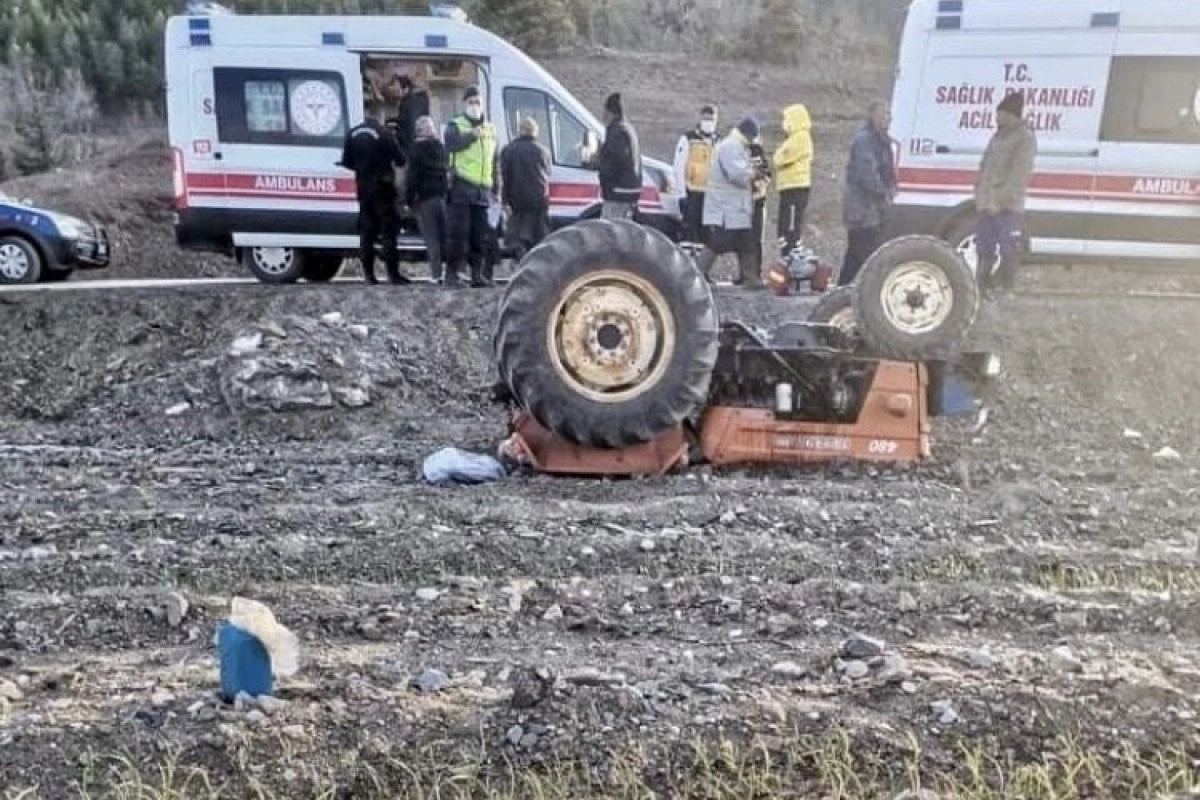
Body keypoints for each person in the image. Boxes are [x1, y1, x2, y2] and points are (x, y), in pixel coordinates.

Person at [339, 99, 408, 285]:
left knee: (367, 233)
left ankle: (369, 275)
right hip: (383, 188)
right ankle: (393, 275)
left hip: (362, 188)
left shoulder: (352, 134)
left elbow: (346, 162)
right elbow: (401, 160)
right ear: (380, 116)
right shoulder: (384, 134)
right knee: (388, 232)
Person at [974, 91, 1037, 296]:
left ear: (1012, 115)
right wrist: (979, 192)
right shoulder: (997, 136)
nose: (997, 118)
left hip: (1007, 207)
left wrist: (1000, 201)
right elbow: (985, 165)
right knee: (984, 247)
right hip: (986, 204)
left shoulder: (1025, 139)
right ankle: (981, 286)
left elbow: (1019, 175)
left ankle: (1006, 288)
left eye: (1000, 114)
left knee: (1008, 248)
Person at [696, 117, 764, 288]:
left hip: (736, 208)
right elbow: (735, 173)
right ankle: (698, 272)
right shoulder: (731, 147)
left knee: (746, 241)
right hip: (726, 207)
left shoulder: (737, 146)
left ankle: (750, 277)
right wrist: (753, 173)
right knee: (719, 241)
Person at [444, 86, 500, 288]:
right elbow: (450, 145)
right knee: (458, 234)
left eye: (477, 102)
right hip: (462, 186)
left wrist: (497, 189)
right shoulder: (455, 125)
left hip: (483, 189)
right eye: (471, 102)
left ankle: (477, 275)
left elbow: (495, 161)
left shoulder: (491, 129)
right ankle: (452, 275)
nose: (475, 106)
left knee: (480, 236)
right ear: (464, 104)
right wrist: (471, 136)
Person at [840, 100, 897, 287]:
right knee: (869, 258)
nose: (887, 119)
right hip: (862, 210)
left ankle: (842, 292)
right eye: (883, 114)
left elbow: (887, 169)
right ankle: (869, 294)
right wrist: (883, 192)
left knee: (855, 259)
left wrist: (892, 186)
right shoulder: (864, 140)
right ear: (872, 115)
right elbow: (866, 172)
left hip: (871, 210)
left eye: (889, 115)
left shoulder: (881, 140)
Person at [499, 116, 552, 260]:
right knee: (539, 238)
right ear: (535, 131)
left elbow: (505, 178)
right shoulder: (543, 151)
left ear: (519, 131)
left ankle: (520, 258)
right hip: (538, 202)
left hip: (517, 202)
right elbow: (548, 175)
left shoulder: (508, 150)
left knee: (518, 238)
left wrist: (504, 202)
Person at [405, 115, 450, 284]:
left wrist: (409, 200)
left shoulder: (416, 151)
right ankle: (450, 272)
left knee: (431, 238)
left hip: (425, 199)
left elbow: (412, 178)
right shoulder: (441, 148)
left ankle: (436, 274)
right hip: (442, 197)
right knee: (445, 236)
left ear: (418, 132)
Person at [672, 104, 719, 245]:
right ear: (700, 118)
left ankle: (702, 264)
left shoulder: (719, 142)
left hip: (711, 195)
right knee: (690, 232)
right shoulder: (688, 139)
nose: (708, 123)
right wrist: (681, 194)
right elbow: (678, 166)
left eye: (711, 119)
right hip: (692, 193)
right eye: (706, 119)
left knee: (707, 235)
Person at [773, 103, 813, 255]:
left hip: (795, 187)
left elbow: (780, 158)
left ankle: (791, 253)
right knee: (785, 224)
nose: (784, 123)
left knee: (790, 226)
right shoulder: (793, 139)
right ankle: (788, 251)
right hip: (789, 187)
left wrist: (779, 155)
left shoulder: (801, 138)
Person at [596, 92, 643, 220]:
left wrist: (600, 160)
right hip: (628, 192)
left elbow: (613, 162)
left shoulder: (616, 132)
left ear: (611, 112)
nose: (603, 116)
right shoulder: (627, 129)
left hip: (618, 193)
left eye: (605, 112)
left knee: (609, 233)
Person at [387, 75, 431, 158]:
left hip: (409, 142)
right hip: (418, 142)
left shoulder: (409, 101)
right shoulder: (420, 98)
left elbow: (405, 120)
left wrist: (391, 122)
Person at [748, 135, 772, 270]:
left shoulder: (758, 152)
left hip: (758, 201)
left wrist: (758, 183)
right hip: (744, 203)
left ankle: (756, 271)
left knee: (756, 239)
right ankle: (745, 273)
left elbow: (767, 175)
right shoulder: (739, 151)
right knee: (744, 240)